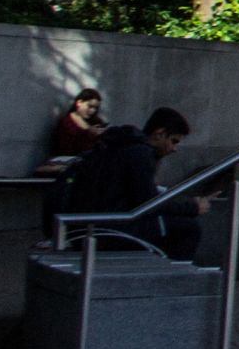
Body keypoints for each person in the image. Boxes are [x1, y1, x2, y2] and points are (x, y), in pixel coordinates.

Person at [62, 107, 206, 260]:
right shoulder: (140, 153)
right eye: (173, 141)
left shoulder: (118, 146)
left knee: (176, 226)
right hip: (108, 230)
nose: (174, 149)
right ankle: (172, 277)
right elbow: (148, 203)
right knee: (188, 228)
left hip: (90, 226)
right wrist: (192, 206)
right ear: (159, 134)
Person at [49, 88, 105, 160]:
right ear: (79, 103)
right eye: (90, 106)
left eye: (95, 108)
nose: (92, 111)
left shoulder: (96, 121)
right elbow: (65, 147)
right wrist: (88, 134)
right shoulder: (67, 122)